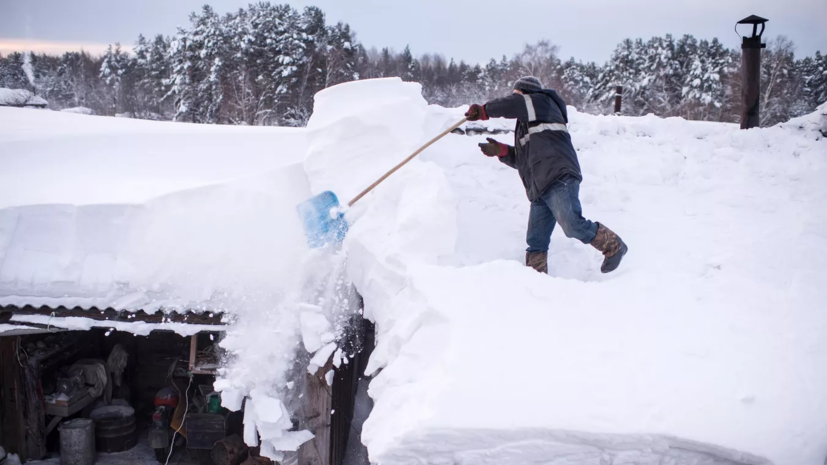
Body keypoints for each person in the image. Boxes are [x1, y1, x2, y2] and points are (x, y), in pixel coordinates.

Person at [465, 76, 627, 274]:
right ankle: (536, 281)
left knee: (571, 224)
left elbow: (515, 104)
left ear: (527, 94)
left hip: (558, 176)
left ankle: (614, 246)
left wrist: (484, 111)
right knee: (536, 242)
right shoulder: (527, 125)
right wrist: (501, 151)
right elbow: (524, 161)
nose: (514, 101)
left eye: (517, 96)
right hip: (539, 188)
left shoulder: (544, 102)